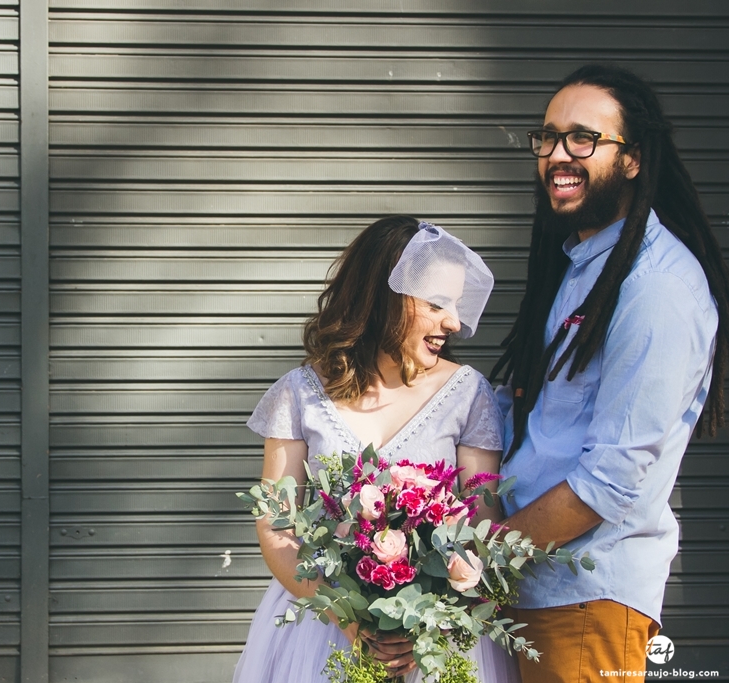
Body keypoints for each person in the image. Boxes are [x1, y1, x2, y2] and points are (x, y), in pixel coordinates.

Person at [491, 63, 729, 683]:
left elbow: (610, 480)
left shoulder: (655, 288)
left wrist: (482, 555)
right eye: (548, 137)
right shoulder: (582, 266)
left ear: (632, 159)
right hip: (535, 592)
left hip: (585, 601)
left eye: (583, 138)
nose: (557, 155)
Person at [234, 215, 521, 683]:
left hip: (432, 639)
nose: (454, 321)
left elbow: (481, 528)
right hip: (320, 628)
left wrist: (425, 622)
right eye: (436, 303)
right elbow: (275, 523)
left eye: (456, 304)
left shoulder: (470, 394)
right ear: (384, 296)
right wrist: (349, 618)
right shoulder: (299, 393)